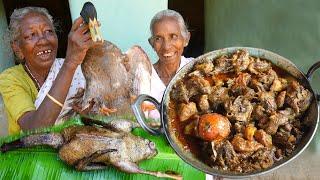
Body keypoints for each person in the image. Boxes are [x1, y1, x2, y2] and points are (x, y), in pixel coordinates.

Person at [0, 7, 95, 134]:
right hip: (30, 152)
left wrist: (88, 115)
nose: (43, 40)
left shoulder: (76, 70)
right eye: (31, 35)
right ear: (17, 48)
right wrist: (70, 63)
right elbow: (35, 130)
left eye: (48, 31)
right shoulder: (10, 79)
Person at [148, 9, 193, 103]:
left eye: (173, 36)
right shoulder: (144, 78)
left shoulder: (196, 68)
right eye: (158, 38)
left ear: (186, 39)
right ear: (152, 44)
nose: (166, 47)